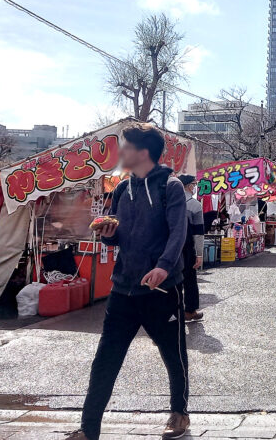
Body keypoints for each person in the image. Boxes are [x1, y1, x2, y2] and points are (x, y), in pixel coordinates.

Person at [68, 124, 190, 440]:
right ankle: (88, 429)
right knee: (105, 358)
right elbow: (119, 235)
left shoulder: (171, 187)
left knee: (173, 354)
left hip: (161, 289)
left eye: (125, 147)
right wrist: (109, 235)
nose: (120, 153)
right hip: (123, 288)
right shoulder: (122, 189)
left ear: (143, 152)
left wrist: (164, 267)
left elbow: (179, 233)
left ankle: (179, 413)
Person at [177, 175, 205, 323]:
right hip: (187, 248)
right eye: (194, 184)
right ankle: (190, 310)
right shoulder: (195, 205)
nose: (195, 187)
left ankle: (173, 312)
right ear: (189, 186)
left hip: (169, 247)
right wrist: (199, 253)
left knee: (172, 281)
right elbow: (198, 233)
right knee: (189, 279)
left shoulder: (167, 202)